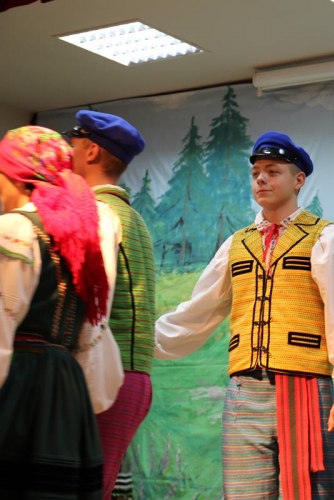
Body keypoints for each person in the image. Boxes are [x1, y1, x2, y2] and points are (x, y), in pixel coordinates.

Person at [154, 131, 334, 499]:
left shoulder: (326, 238)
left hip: (305, 387)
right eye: (256, 172)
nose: (261, 179)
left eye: (273, 171)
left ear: (298, 180)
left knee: (309, 492)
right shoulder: (238, 243)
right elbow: (198, 310)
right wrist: (139, 338)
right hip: (244, 392)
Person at [0, 126, 117, 498]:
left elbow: (2, 320)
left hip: (19, 379)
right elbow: (91, 332)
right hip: (66, 383)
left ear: (19, 176)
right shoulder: (79, 234)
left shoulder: (14, 228)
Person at [65, 110, 156, 498]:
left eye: (72, 143)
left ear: (90, 151)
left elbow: (87, 303)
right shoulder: (130, 217)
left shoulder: (100, 215)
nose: (67, 152)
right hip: (127, 375)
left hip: (104, 373)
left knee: (78, 488)